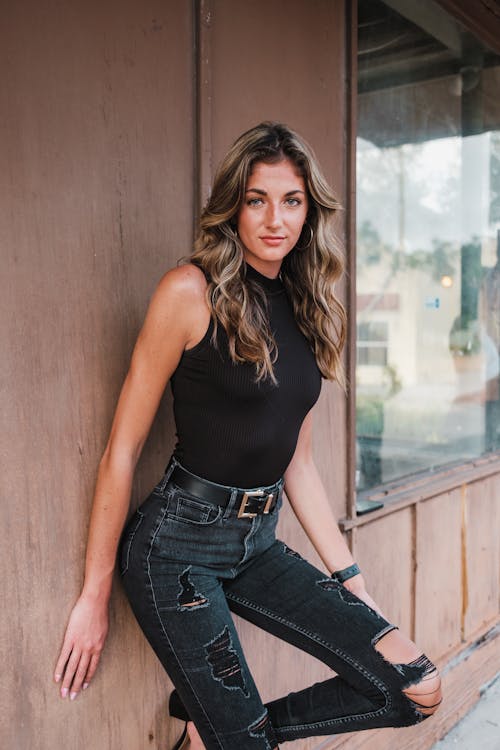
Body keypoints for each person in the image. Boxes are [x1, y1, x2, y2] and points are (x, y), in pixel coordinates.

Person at [54, 122, 442, 749]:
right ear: (233, 203)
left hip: (259, 543)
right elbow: (120, 450)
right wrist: (93, 594)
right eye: (256, 199)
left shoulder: (312, 307)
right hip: (175, 550)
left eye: (291, 201)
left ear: (309, 209)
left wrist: (351, 579)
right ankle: (230, 732)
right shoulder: (189, 293)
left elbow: (300, 465)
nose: (274, 219)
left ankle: (217, 731)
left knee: (414, 686)